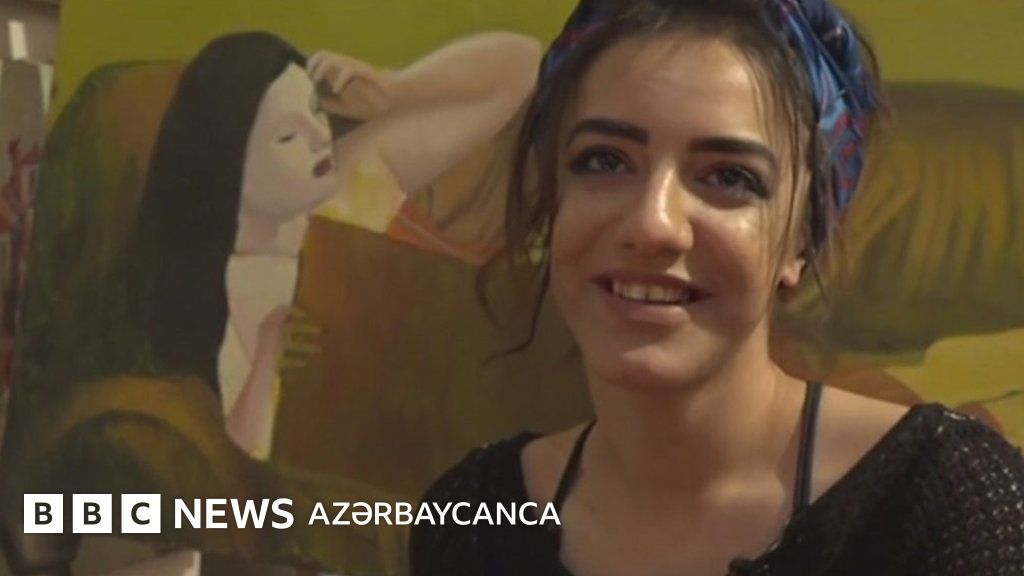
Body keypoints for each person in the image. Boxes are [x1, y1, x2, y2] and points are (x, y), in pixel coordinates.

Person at [410, 0, 1024, 574]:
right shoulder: (474, 519)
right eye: (604, 160)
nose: (653, 224)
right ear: (552, 200)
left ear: (802, 241)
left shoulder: (945, 500)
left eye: (729, 177)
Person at [131, 30, 539, 464]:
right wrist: (268, 361)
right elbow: (238, 461)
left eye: (315, 110)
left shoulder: (348, 186)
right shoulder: (220, 285)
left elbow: (524, 66)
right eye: (287, 136)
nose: (318, 135)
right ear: (230, 166)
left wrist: (392, 90)